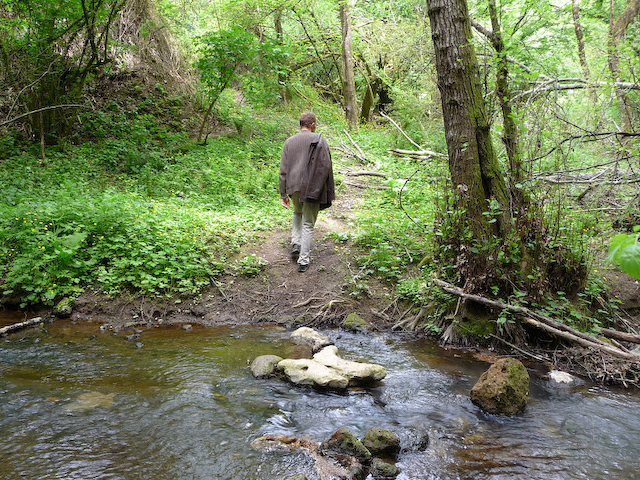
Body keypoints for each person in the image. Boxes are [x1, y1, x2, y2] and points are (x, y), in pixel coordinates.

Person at [279, 112, 335, 272]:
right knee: (308, 223)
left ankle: (296, 243)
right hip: (312, 186)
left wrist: (283, 193)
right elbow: (326, 166)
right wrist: (325, 189)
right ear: (312, 124)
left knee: (297, 212)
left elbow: (283, 170)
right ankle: (303, 261)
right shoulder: (319, 139)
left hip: (294, 186)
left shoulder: (289, 142)